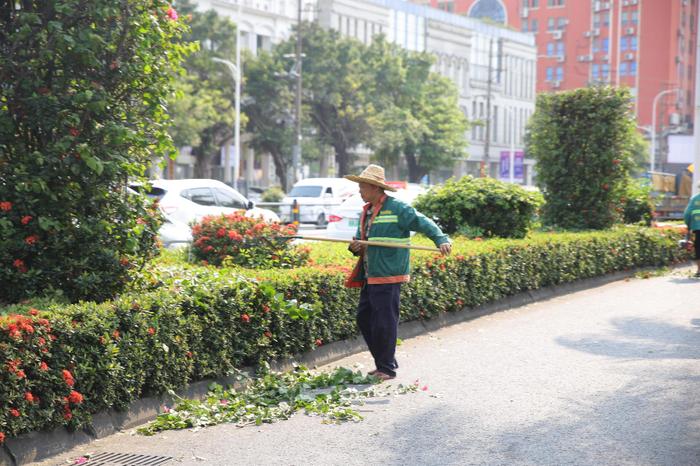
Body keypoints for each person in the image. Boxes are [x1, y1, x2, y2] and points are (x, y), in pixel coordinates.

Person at [344, 164, 451, 381]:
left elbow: (423, 222)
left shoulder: (398, 208)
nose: (359, 191)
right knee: (364, 319)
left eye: (362, 186)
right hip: (369, 274)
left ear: (375, 188)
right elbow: (360, 240)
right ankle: (385, 362)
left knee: (384, 321)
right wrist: (355, 247)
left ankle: (386, 367)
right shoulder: (366, 212)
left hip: (389, 273)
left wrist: (441, 239)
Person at [683, 188, 700, 277]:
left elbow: (687, 213)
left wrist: (689, 224)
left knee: (698, 248)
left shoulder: (694, 199)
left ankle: (699, 271)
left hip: (698, 227)